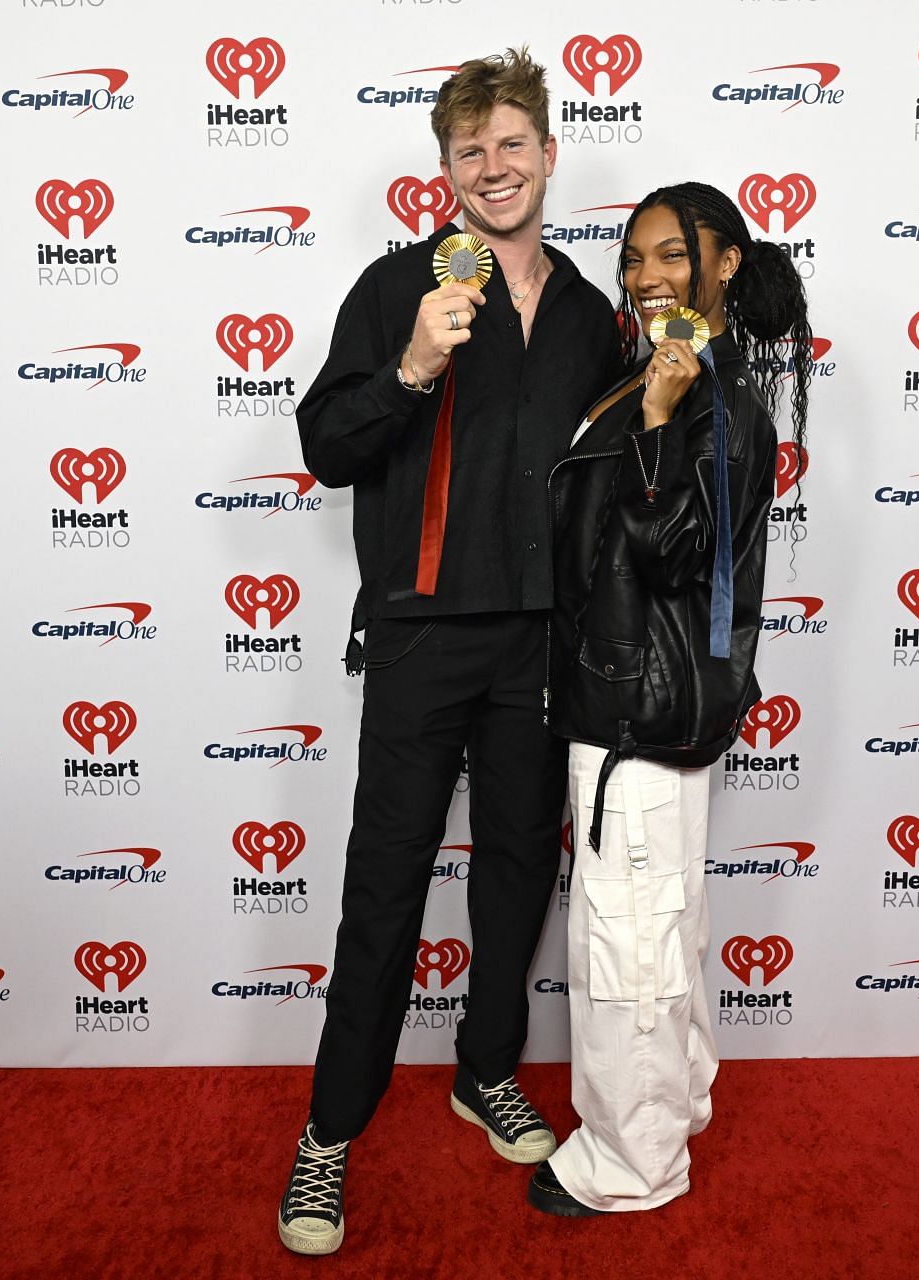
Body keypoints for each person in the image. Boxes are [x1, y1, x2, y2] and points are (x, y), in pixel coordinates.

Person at [278, 47, 619, 1256]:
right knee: (385, 883)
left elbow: (622, 473)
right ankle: (329, 1130)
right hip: (423, 636)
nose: (494, 166)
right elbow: (324, 443)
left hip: (542, 646)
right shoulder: (393, 288)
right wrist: (415, 363)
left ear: (549, 151)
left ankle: (485, 1070)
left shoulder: (590, 309)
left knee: (521, 872)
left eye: (512, 142)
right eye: (470, 150)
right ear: (446, 169)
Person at [525, 182, 813, 1216]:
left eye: (673, 255)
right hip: (631, 696)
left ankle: (632, 1160)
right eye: (636, 257)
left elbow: (670, 548)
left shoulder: (705, 393)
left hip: (637, 710)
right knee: (662, 921)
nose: (648, 276)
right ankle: (677, 1099)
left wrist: (650, 420)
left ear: (725, 262)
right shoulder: (678, 377)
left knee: (628, 937)